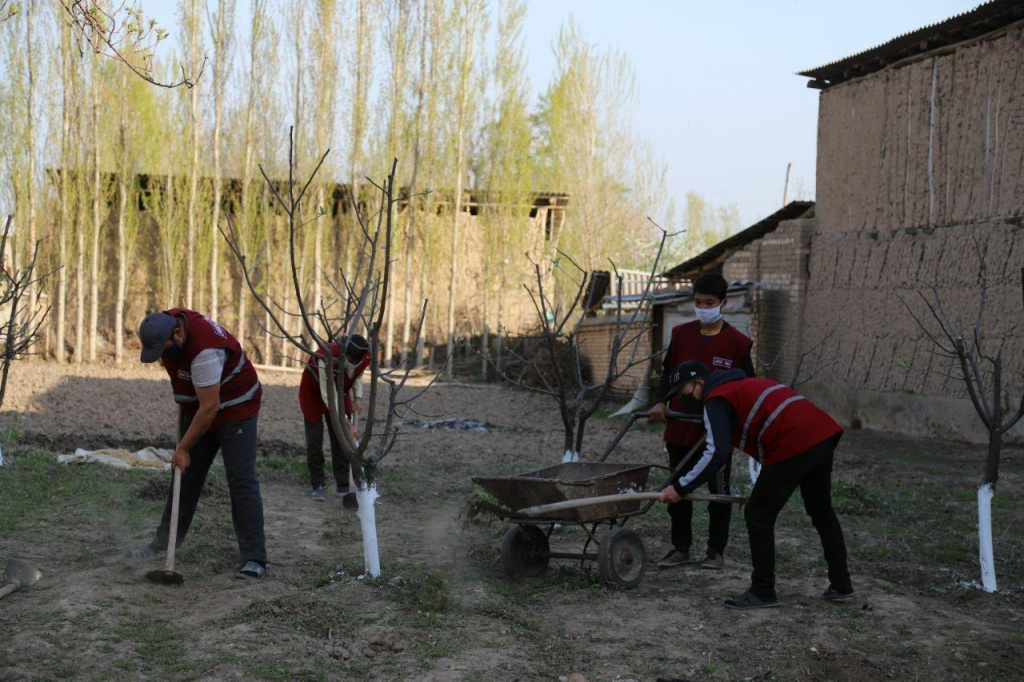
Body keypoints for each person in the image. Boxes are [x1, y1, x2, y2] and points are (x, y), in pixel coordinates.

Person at [658, 360, 855, 610]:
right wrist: (761, 488)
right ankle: (842, 583)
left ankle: (763, 591)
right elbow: (768, 430)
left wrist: (680, 487)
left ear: (699, 383)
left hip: (795, 439)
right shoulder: (741, 385)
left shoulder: (716, 398)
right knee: (821, 510)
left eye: (683, 393)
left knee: (758, 514)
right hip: (820, 433)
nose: (682, 400)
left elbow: (716, 453)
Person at [128, 309, 267, 580]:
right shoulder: (167, 326)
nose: (161, 358)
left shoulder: (205, 351)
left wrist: (182, 448)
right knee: (185, 474)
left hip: (235, 407)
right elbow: (195, 398)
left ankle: (254, 557)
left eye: (163, 350)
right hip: (201, 406)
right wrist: (184, 451)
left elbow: (210, 408)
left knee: (240, 479)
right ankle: (164, 543)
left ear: (178, 335)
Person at [649, 273, 754, 570]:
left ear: (723, 303)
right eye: (698, 302)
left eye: (709, 303)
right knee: (678, 486)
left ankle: (715, 551)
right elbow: (667, 371)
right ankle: (680, 547)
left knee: (718, 493)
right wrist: (660, 401)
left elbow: (747, 387)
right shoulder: (681, 334)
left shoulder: (737, 343)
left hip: (716, 435)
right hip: (680, 428)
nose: (703, 307)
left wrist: (735, 428)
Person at [298, 335, 370, 506]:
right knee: (315, 441)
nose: (350, 362)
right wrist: (348, 423)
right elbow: (328, 397)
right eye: (348, 360)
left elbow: (357, 374)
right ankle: (318, 484)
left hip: (340, 390)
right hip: (314, 393)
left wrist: (358, 397)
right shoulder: (325, 357)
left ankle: (344, 485)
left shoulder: (363, 356)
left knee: (340, 439)